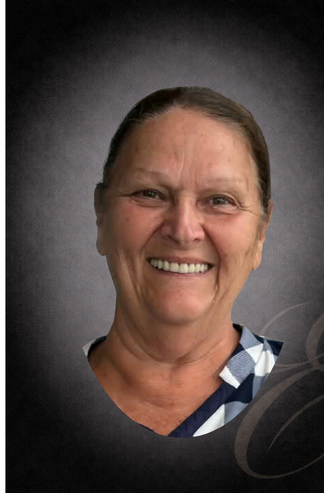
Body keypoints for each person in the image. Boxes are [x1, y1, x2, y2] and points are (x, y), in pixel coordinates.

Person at [83, 87, 283, 437]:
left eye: (220, 200)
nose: (183, 231)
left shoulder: (315, 387)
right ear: (102, 216)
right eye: (150, 194)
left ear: (260, 233)